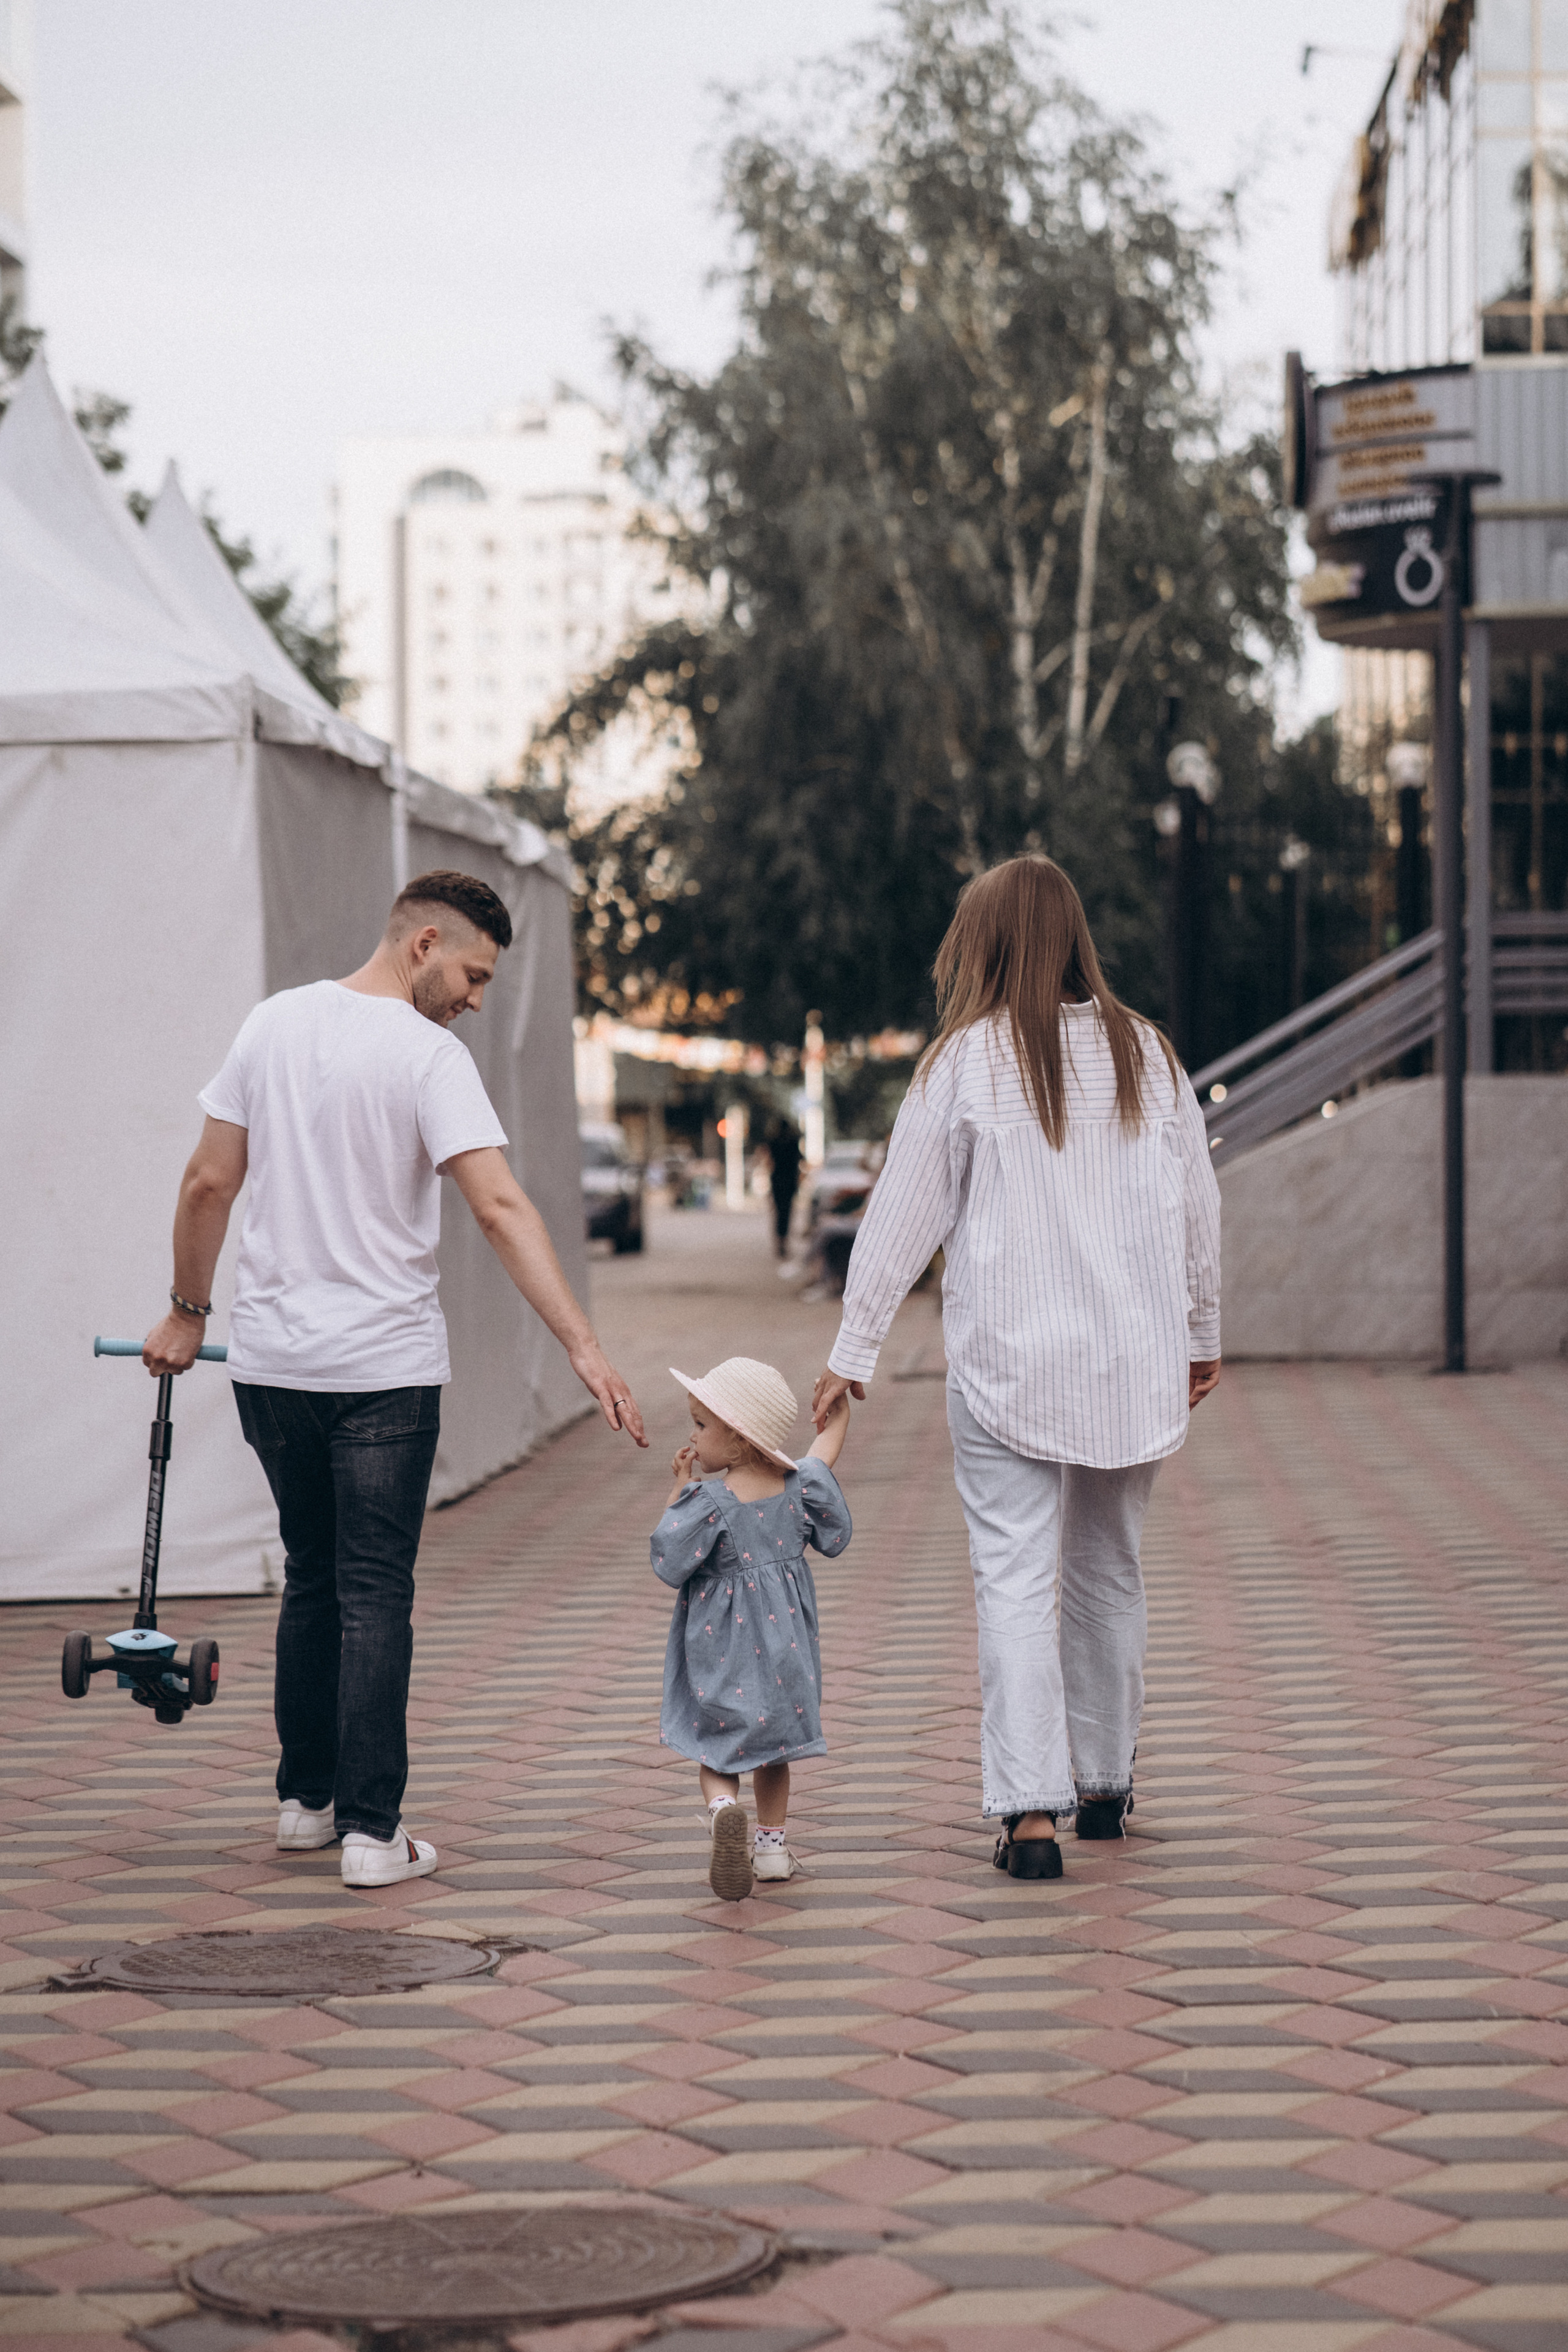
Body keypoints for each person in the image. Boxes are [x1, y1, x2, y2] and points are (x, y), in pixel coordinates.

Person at [141, 870, 648, 1889]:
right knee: (375, 1590)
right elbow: (502, 1209)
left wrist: (186, 1314)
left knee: (313, 1575)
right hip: (384, 1372)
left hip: (275, 1367)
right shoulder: (429, 1058)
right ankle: (373, 1836)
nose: (473, 999)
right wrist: (583, 1347)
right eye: (471, 974)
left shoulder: (273, 1027)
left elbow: (208, 1181)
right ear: (422, 944)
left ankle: (305, 1805)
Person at [810, 855, 1219, 1882]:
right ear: (1078, 938)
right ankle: (1106, 1786)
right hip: (1131, 1361)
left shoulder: (964, 1062)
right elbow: (1197, 1207)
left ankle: (1030, 1818)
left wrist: (852, 1352)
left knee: (1013, 1578)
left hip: (1009, 1364)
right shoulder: (1150, 1055)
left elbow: (902, 1215)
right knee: (1110, 1568)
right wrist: (1201, 1333)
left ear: (983, 945)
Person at [650, 1357, 851, 1900]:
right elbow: (823, 1456)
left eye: (700, 1424)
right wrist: (837, 1416)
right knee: (775, 1751)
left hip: (724, 1654)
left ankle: (722, 1814)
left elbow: (669, 1559)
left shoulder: (707, 1504)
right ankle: (770, 1850)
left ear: (737, 1442)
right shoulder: (798, 1488)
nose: (692, 1435)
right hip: (786, 1653)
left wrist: (677, 1490)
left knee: (716, 1748)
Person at [765, 1117, 803, 1259]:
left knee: (778, 1213)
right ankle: (784, 1242)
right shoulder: (794, 1141)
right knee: (786, 1214)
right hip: (789, 1182)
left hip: (777, 1181)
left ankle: (779, 1243)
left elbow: (770, 1161)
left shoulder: (774, 1142)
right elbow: (800, 1159)